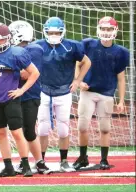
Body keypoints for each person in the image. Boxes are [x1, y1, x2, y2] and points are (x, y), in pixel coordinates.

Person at [0, 23, 40, 177]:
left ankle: (25, 164)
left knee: (17, 133)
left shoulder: (17, 53)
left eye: (1, 40)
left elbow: (34, 73)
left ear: (8, 38)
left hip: (11, 98)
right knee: (0, 133)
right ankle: (8, 166)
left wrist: (21, 90)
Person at [34, 17, 91, 172]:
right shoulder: (37, 46)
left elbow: (87, 62)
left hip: (64, 91)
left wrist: (78, 80)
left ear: (62, 32)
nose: (53, 35)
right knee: (43, 128)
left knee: (63, 129)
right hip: (43, 91)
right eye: (50, 32)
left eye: (57, 32)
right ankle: (41, 162)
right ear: (45, 31)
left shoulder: (71, 46)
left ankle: (64, 161)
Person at [73, 16, 129, 170]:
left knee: (105, 128)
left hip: (107, 93)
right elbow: (78, 64)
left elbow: (121, 78)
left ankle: (104, 159)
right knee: (82, 126)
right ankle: (83, 157)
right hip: (88, 92)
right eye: (103, 28)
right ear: (98, 29)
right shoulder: (88, 44)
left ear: (115, 30)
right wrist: (78, 81)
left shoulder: (121, 52)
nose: (106, 32)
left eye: (109, 29)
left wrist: (122, 100)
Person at [8, 20, 52, 174]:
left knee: (29, 131)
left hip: (29, 95)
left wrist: (7, 73)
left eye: (11, 34)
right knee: (18, 131)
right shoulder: (11, 50)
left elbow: (26, 74)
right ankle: (24, 161)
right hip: (13, 96)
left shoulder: (34, 49)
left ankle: (40, 162)